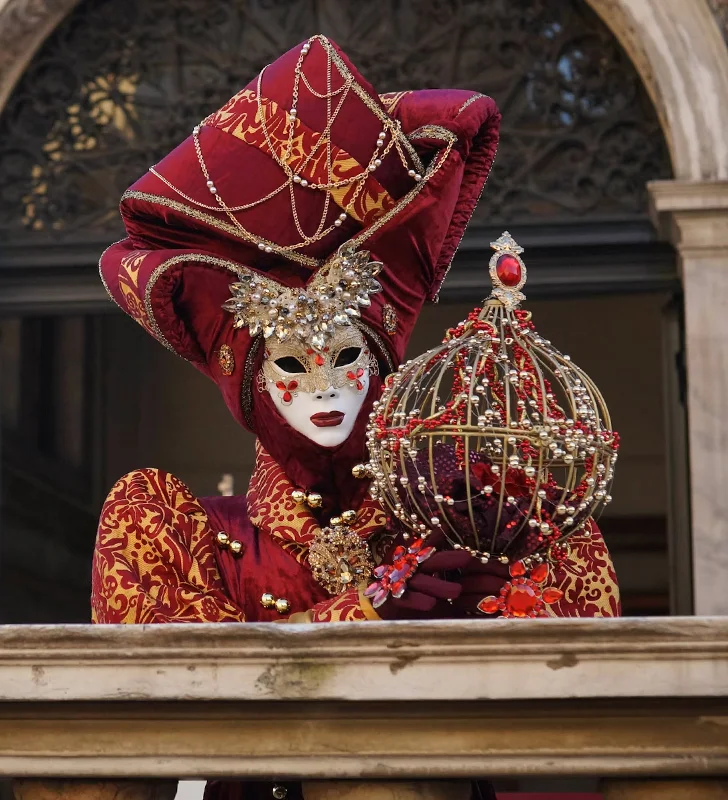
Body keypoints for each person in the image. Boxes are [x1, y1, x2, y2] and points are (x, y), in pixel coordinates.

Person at [89, 35, 618, 800]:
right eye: (292, 365)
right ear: (248, 386)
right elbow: (168, 696)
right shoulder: (182, 531)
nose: (325, 387)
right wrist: (360, 615)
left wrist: (501, 604)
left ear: (382, 369)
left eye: (346, 359)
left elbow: (590, 669)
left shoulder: (468, 509)